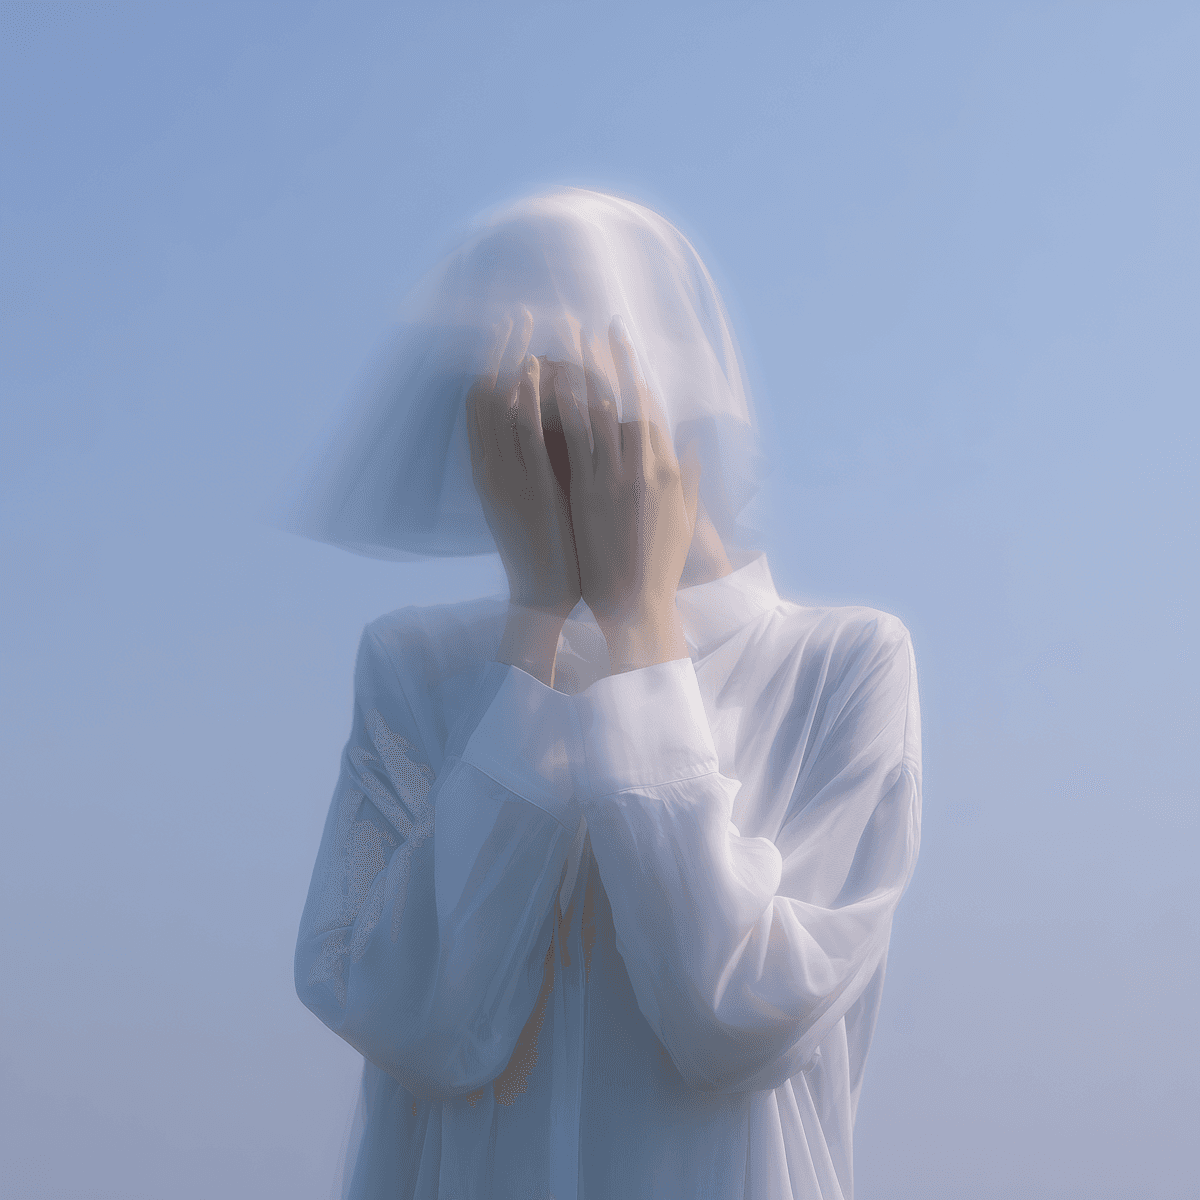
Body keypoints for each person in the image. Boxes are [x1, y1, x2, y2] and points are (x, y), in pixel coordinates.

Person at [290, 188, 922, 1200]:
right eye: (506, 395)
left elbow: (736, 1013)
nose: (550, 430)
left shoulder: (840, 667)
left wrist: (639, 629)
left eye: (586, 392)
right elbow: (413, 1019)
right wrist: (535, 621)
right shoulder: (414, 673)